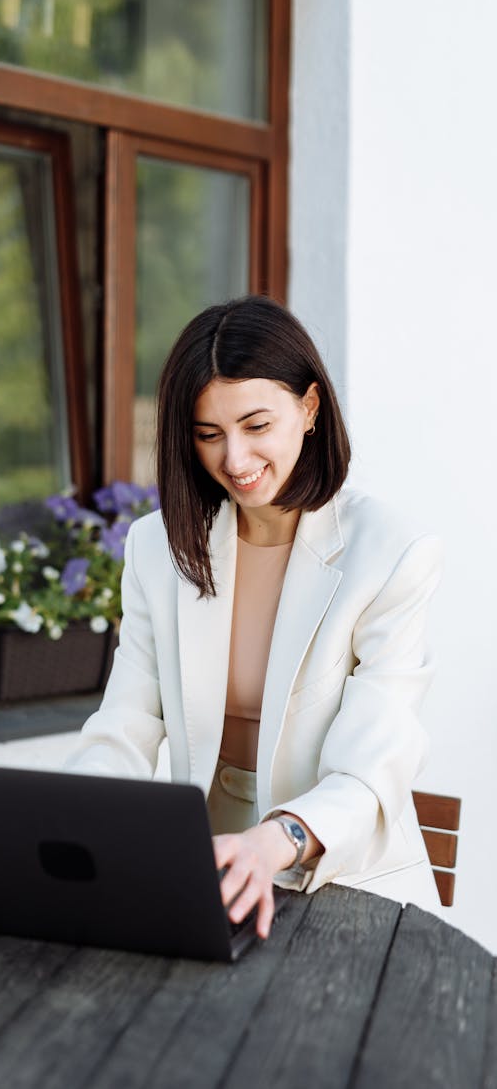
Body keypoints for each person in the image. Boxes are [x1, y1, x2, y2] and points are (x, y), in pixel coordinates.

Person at [66, 295, 442, 939]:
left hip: (339, 877)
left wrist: (278, 839)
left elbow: (372, 765)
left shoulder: (390, 551)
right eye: (208, 434)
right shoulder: (158, 548)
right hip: (205, 876)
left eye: (256, 425)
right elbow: (125, 726)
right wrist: (68, 827)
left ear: (310, 408)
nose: (234, 461)